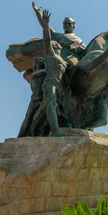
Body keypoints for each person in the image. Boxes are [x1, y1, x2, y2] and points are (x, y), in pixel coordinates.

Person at [40, 8, 69, 137]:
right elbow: (47, 39)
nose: (58, 46)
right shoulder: (50, 54)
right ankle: (55, 131)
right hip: (50, 83)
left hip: (60, 86)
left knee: (60, 108)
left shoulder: (63, 60)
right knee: (51, 104)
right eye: (56, 45)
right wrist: (45, 25)